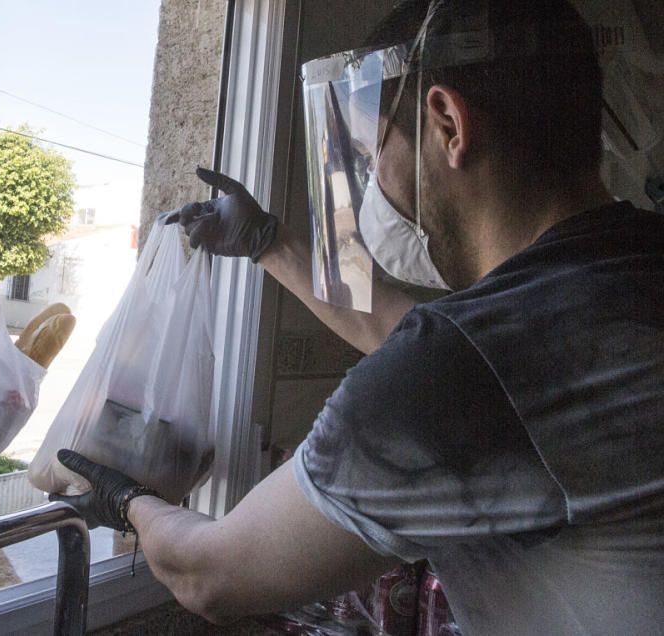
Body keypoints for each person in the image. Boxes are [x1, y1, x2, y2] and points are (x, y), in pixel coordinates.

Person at [50, 1, 664, 634]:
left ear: (449, 123)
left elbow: (208, 574)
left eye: (375, 151)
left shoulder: (464, 367)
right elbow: (433, 345)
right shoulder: (626, 275)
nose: (373, 182)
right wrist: (268, 242)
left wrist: (128, 500)